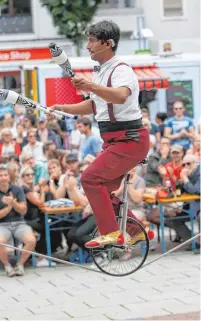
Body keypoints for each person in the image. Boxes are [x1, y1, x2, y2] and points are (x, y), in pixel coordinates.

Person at [47, 20, 149, 248]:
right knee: (101, 189)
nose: (88, 46)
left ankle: (112, 233)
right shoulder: (101, 73)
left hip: (129, 140)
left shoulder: (121, 69)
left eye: (92, 40)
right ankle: (138, 230)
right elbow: (95, 106)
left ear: (108, 43)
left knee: (89, 179)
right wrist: (62, 108)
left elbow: (120, 96)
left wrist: (91, 86)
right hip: (116, 141)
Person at [0, 167, 36, 277]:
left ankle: (20, 265)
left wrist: (13, 203)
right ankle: (7, 266)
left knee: (31, 240)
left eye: (5, 175)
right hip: (1, 224)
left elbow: (23, 210)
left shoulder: (17, 190)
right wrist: (9, 207)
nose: (4, 178)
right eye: (1, 175)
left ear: (9, 176)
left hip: (19, 222)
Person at [20, 166, 57, 267]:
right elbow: (40, 203)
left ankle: (36, 256)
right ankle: (40, 257)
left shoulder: (28, 188)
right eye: (27, 175)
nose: (30, 176)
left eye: (32, 174)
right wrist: (42, 188)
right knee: (48, 227)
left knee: (48, 225)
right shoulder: (24, 188)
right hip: (25, 220)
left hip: (30, 218)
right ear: (22, 176)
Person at [170, 155, 200, 250]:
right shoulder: (188, 173)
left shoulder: (199, 172)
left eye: (188, 163)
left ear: (195, 163)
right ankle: (193, 243)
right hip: (189, 205)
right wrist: (181, 180)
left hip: (198, 205)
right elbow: (181, 192)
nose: (186, 166)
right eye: (184, 164)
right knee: (173, 219)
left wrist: (185, 178)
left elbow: (195, 190)